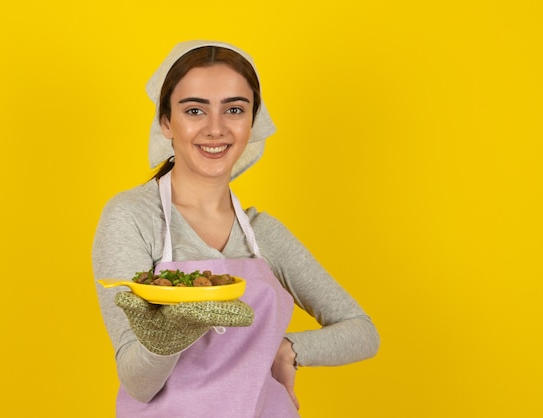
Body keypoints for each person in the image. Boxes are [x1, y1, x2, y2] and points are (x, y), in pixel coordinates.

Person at [92, 40, 380, 417]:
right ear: (166, 122)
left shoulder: (263, 235)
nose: (216, 128)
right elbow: (138, 383)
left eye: (234, 109)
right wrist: (170, 331)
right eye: (195, 109)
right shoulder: (132, 218)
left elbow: (363, 332)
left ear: (251, 122)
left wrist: (288, 350)